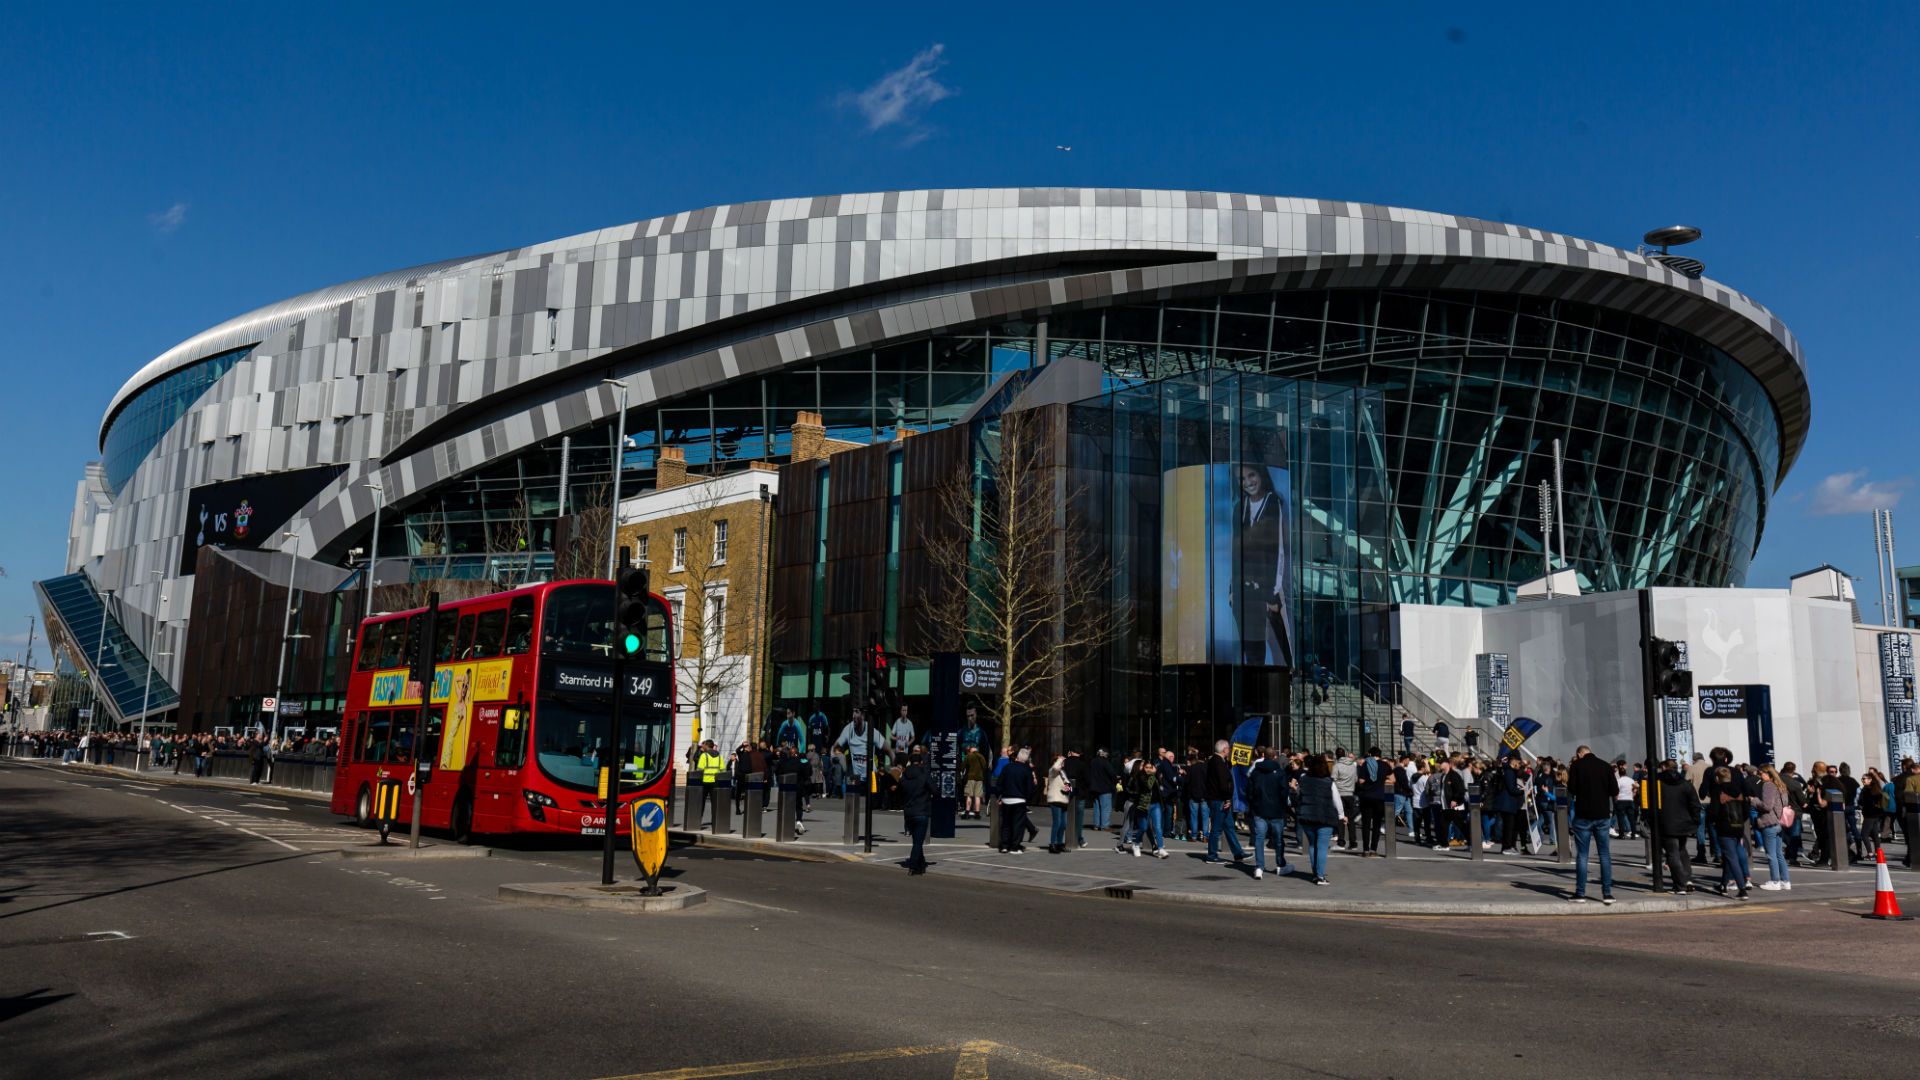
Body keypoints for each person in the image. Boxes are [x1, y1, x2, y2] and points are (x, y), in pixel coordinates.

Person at [1231, 464, 1293, 667]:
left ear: (1261, 474)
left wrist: (1272, 594)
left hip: (1268, 591)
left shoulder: (1273, 502)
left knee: (1281, 653)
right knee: (1253, 655)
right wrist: (1233, 589)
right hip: (1244, 592)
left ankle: (1289, 683)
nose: (1248, 482)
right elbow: (1235, 553)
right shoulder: (1239, 508)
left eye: (1251, 475)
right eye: (1242, 479)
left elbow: (1278, 550)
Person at [1566, 745, 1617, 904]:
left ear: (1579, 754)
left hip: (1583, 814)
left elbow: (1572, 788)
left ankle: (1580, 893)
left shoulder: (1577, 765)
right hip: (1602, 814)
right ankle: (1607, 893)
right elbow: (1614, 790)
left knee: (1582, 855)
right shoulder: (1605, 766)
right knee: (1604, 854)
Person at [1652, 760, 1700, 894]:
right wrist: (1695, 821)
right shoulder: (1685, 784)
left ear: (1663, 767)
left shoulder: (1658, 784)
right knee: (1682, 851)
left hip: (1666, 823)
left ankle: (1681, 884)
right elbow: (1694, 804)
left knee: (1672, 854)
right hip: (1684, 823)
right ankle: (1687, 879)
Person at [1246, 747, 1294, 880]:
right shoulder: (1280, 772)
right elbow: (1284, 792)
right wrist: (1283, 806)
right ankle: (1280, 864)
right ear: (1274, 757)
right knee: (1278, 839)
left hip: (1259, 809)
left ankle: (1259, 867)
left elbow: (1249, 791)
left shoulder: (1256, 772)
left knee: (1259, 839)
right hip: (1276, 810)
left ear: (1264, 756)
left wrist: (1253, 804)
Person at [1296, 754, 1345, 885]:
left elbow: (1298, 794)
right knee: (1322, 847)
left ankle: (1315, 873)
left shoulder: (1303, 779)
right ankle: (1320, 876)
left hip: (1307, 816)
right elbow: (1337, 800)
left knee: (1313, 845)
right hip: (1325, 817)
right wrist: (1341, 816)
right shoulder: (1329, 782)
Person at [1708, 766, 1752, 899]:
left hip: (1724, 827)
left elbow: (1714, 811)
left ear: (1717, 778)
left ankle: (1742, 889)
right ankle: (1723, 884)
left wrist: (1713, 821)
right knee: (1730, 856)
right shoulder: (1738, 790)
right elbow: (1746, 810)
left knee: (1731, 858)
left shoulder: (1717, 790)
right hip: (1738, 826)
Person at [1203, 740, 1249, 864]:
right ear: (1224, 750)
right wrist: (1227, 798)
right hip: (1219, 800)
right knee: (1216, 829)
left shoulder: (1216, 761)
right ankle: (1212, 855)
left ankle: (1238, 853)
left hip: (1219, 799)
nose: (1229, 750)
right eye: (1228, 748)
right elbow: (1223, 783)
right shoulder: (1218, 762)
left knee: (1229, 827)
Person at [1118, 757, 1168, 858]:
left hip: (1156, 804)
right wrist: (1154, 774)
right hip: (1143, 805)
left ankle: (1161, 848)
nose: (1148, 769)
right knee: (1143, 827)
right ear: (1143, 768)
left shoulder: (1155, 776)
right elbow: (1147, 786)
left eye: (1150, 767)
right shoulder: (1140, 777)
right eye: (1146, 767)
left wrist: (1157, 776)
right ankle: (1136, 844)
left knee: (1157, 827)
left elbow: (1160, 787)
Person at [895, 747, 933, 874]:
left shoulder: (904, 776)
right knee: (918, 842)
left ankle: (921, 863)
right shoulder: (924, 775)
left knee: (917, 840)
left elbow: (898, 793)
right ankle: (913, 866)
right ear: (921, 762)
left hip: (909, 813)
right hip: (922, 811)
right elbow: (935, 790)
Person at [1753, 765, 1791, 891]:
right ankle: (1785, 881)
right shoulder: (1781, 785)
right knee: (1779, 854)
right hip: (1780, 823)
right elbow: (1784, 804)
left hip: (1769, 822)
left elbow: (1767, 806)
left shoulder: (1768, 785)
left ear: (1768, 774)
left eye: (1761, 773)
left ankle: (1775, 881)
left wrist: (1754, 800)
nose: (1760, 776)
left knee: (1771, 854)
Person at [997, 748, 1035, 854]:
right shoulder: (1026, 770)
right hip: (1019, 799)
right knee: (1018, 824)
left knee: (1006, 823)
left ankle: (1004, 845)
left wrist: (1000, 796)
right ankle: (1014, 846)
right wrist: (1027, 799)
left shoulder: (1007, 767)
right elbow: (1030, 788)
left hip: (1006, 799)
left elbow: (999, 783)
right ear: (1026, 759)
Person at [1354, 747, 1390, 857]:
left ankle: (1366, 849)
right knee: (1376, 824)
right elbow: (1392, 779)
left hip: (1367, 797)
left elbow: (1361, 781)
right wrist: (1382, 780)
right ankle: (1373, 849)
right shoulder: (1385, 765)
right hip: (1379, 797)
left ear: (1370, 754)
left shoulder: (1366, 764)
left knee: (1366, 824)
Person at [1080, 748, 1116, 845]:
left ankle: (1096, 825)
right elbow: (1112, 774)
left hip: (1094, 788)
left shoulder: (1092, 762)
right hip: (1105, 787)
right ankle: (1104, 825)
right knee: (1106, 807)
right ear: (1104, 754)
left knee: (1097, 807)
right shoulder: (1105, 762)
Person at [1044, 754, 1073, 853]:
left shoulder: (1062, 772)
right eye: (1061, 761)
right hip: (1055, 799)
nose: (1063, 762)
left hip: (1063, 799)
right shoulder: (1053, 771)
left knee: (1063, 824)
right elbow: (1056, 767)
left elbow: (1068, 784)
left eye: (1063, 761)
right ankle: (1053, 844)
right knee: (1057, 822)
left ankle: (1060, 843)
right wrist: (1059, 759)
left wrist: (1068, 788)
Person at [1331, 748, 1358, 850]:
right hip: (1350, 793)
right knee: (1351, 819)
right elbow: (1355, 779)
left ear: (1336, 755)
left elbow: (1333, 780)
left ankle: (1341, 843)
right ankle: (1353, 843)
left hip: (1340, 794)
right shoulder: (1353, 765)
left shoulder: (1337, 766)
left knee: (1340, 818)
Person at [961, 744, 988, 820]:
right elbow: (985, 767)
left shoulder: (968, 756)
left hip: (970, 778)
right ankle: (977, 814)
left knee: (969, 795)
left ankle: (967, 813)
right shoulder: (981, 756)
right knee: (977, 796)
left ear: (971, 750)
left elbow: (963, 767)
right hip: (979, 778)